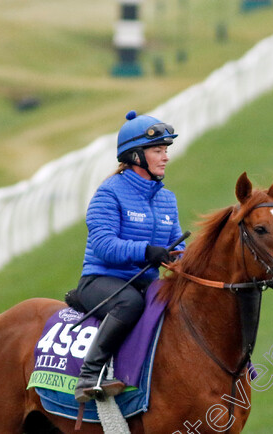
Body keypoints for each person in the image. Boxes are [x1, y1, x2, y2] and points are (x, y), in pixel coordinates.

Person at [72, 110, 186, 402]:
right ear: (136, 156)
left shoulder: (167, 199)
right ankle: (89, 375)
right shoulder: (109, 193)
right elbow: (103, 244)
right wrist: (146, 252)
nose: (165, 157)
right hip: (101, 280)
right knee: (130, 303)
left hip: (142, 281)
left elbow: (177, 246)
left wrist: (181, 260)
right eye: (158, 150)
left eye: (165, 150)